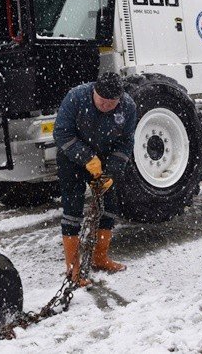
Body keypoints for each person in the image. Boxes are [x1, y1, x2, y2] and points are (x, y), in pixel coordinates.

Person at [53, 72, 137, 286]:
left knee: (110, 206)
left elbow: (126, 141)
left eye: (112, 103)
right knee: (73, 207)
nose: (107, 106)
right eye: (102, 102)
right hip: (72, 157)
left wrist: (113, 169)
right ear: (94, 93)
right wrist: (87, 158)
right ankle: (74, 268)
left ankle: (100, 258)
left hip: (106, 158)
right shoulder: (76, 97)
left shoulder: (127, 106)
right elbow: (61, 133)